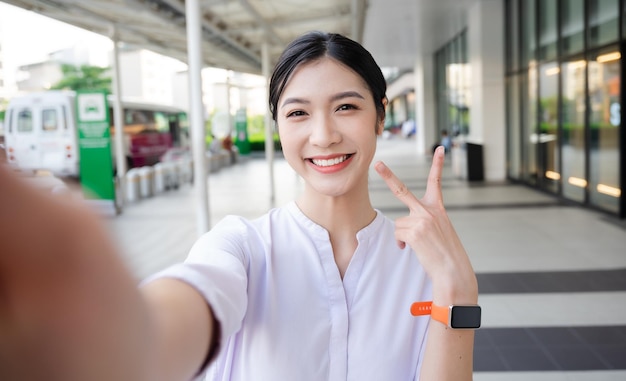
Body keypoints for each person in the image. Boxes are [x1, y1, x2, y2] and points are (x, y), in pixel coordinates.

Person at [0, 31, 478, 381]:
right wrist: (111, 339)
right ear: (278, 126)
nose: (323, 134)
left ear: (380, 116)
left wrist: (458, 291)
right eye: (297, 113)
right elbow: (180, 313)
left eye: (347, 107)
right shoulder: (243, 248)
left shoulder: (423, 262)